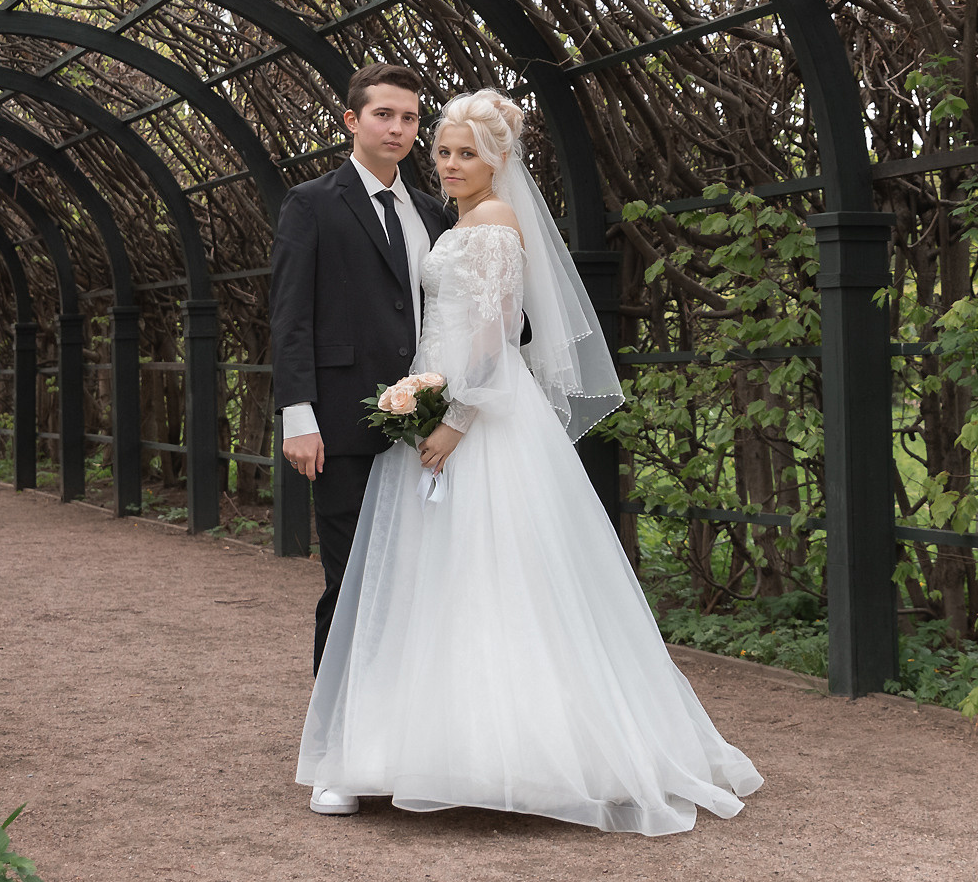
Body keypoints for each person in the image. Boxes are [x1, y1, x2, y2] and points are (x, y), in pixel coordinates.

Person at [296, 88, 762, 833]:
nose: (448, 163)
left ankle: (512, 752)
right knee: (434, 582)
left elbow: (495, 333)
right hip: (435, 406)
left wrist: (455, 419)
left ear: (498, 161)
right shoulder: (453, 220)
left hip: (477, 416)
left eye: (464, 153)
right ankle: (414, 745)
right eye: (443, 151)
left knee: (494, 576)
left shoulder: (494, 226)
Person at [269, 63, 453, 679]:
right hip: (342, 424)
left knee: (422, 583)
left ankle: (403, 736)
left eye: (409, 118)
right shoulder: (311, 204)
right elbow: (291, 317)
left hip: (429, 428)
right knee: (349, 582)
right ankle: (334, 746)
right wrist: (298, 416)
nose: (397, 128)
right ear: (352, 120)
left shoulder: (434, 213)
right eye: (384, 114)